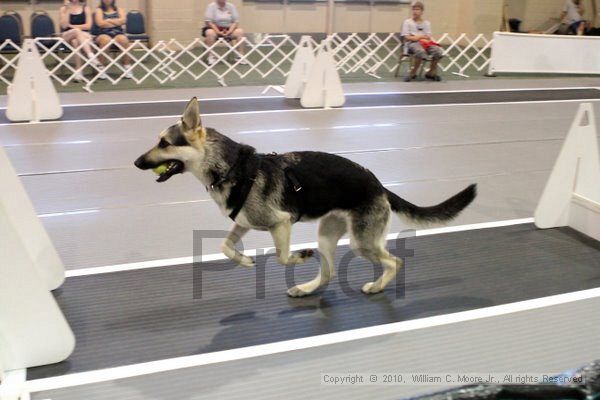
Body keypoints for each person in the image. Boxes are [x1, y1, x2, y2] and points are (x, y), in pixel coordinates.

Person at [401, 1, 443, 82]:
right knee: (420, 51)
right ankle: (413, 73)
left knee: (438, 51)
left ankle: (430, 73)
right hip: (411, 44)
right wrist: (420, 37)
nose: (415, 11)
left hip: (425, 43)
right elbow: (407, 37)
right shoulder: (407, 22)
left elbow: (428, 37)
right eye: (413, 9)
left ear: (422, 11)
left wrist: (416, 37)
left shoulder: (427, 23)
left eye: (417, 9)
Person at [59, 0, 100, 82]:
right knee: (77, 31)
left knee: (76, 41)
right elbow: (64, 25)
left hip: (82, 36)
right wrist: (68, 9)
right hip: (67, 35)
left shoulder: (86, 8)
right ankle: (90, 55)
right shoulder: (63, 9)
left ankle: (78, 71)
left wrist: (73, 26)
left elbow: (88, 26)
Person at [94, 0, 133, 79]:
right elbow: (100, 23)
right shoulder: (99, 10)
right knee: (106, 40)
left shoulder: (119, 9)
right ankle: (101, 69)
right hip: (102, 34)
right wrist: (116, 22)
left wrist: (109, 20)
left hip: (118, 33)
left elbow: (123, 21)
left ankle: (127, 67)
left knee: (123, 39)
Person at [202, 0, 247, 66]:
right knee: (209, 33)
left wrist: (230, 31)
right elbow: (209, 22)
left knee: (240, 32)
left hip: (229, 28)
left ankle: (240, 57)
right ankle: (211, 57)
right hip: (214, 28)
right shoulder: (211, 6)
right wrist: (218, 32)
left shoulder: (231, 6)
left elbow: (235, 22)